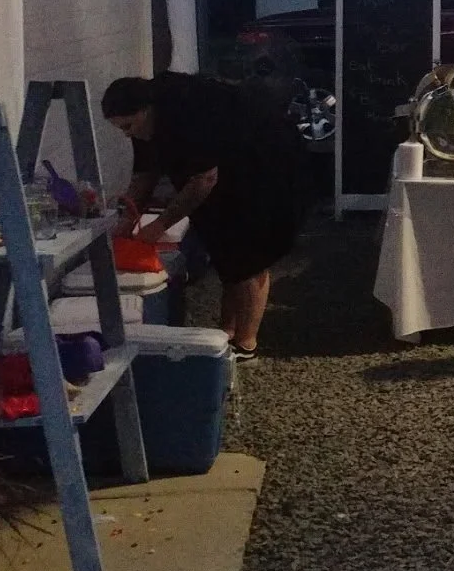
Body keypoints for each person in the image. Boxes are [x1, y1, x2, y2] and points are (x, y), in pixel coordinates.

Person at [102, 72, 309, 360]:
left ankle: (246, 344)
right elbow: (145, 172)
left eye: (128, 126)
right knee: (224, 248)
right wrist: (128, 217)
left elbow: (203, 180)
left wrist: (160, 225)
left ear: (146, 110)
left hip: (269, 160)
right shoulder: (146, 121)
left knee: (249, 256)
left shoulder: (188, 111)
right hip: (233, 164)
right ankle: (226, 332)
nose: (127, 134)